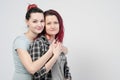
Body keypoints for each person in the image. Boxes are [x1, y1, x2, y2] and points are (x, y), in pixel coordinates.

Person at [12, 4, 57, 80]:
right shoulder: (21, 41)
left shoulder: (40, 40)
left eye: (42, 21)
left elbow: (63, 49)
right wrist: (50, 52)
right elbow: (32, 69)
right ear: (27, 22)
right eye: (35, 21)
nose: (39, 25)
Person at [29, 9, 72, 80]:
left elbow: (65, 69)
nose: (53, 26)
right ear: (43, 26)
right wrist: (54, 56)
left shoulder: (58, 44)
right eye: (49, 23)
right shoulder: (38, 43)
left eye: (55, 23)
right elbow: (36, 76)